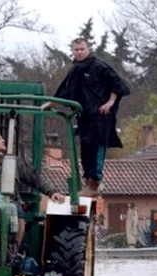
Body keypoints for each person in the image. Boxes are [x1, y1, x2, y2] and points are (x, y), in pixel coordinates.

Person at [41, 37, 130, 197]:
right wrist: (51, 103)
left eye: (82, 49)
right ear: (73, 51)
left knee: (96, 147)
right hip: (84, 116)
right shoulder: (74, 71)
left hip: (100, 115)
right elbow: (64, 90)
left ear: (87, 49)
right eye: (76, 50)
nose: (79, 52)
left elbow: (117, 83)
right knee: (86, 149)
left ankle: (94, 183)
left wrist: (110, 101)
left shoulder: (99, 66)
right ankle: (87, 182)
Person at [0, 132, 65, 252]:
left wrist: (52, 192)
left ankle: (13, 250)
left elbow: (35, 178)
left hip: (10, 202)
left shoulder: (15, 163)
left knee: (16, 210)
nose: (3, 140)